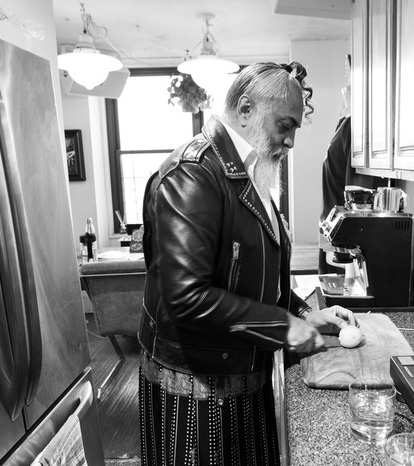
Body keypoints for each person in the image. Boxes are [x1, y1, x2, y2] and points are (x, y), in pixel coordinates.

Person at [139, 61, 357, 466]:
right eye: (284, 125)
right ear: (245, 110)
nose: (291, 141)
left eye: (294, 128)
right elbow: (187, 298)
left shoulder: (249, 171)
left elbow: (259, 279)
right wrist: (282, 327)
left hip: (243, 375)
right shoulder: (194, 174)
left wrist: (309, 314)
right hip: (197, 391)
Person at [318, 55, 379, 274]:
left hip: (345, 247)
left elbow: (359, 200)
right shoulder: (346, 124)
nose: (346, 83)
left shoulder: (357, 128)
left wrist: (347, 251)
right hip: (332, 235)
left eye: (349, 73)